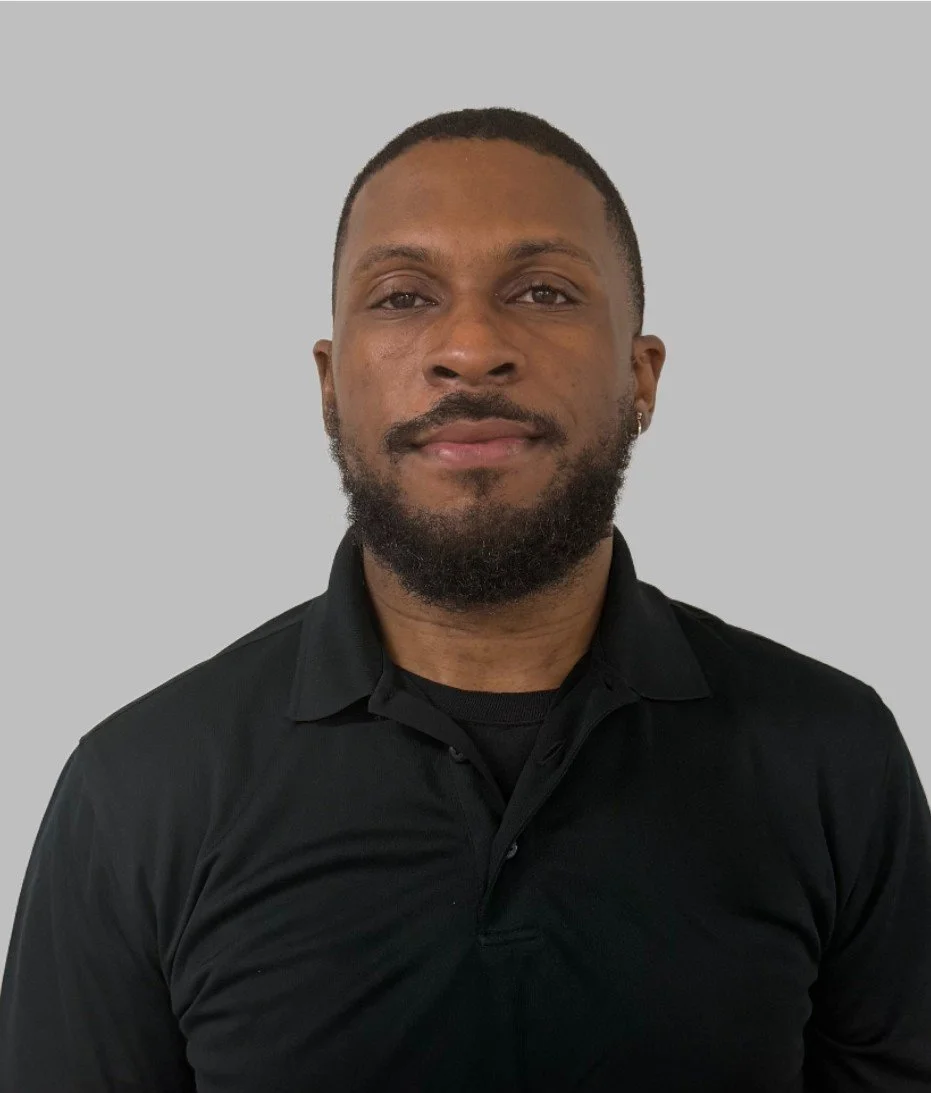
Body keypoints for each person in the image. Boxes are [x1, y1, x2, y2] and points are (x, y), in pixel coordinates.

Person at [1, 107, 929, 1093]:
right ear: (330, 384)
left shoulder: (832, 755)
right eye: (403, 296)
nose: (472, 347)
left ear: (640, 377)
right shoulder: (138, 790)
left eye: (543, 291)